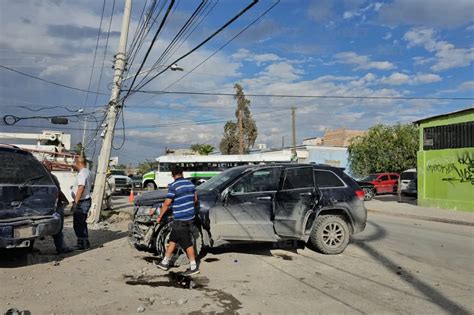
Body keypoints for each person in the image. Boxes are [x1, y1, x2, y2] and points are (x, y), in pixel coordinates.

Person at [156, 166, 200, 275]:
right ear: (182, 173)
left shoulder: (174, 186)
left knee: (186, 243)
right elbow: (195, 200)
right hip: (190, 216)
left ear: (172, 175)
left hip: (181, 218)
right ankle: (165, 262)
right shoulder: (190, 184)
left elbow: (167, 203)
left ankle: (194, 266)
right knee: (173, 239)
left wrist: (159, 216)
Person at [44, 162, 73, 254]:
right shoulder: (51, 177)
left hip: (44, 206)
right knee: (58, 228)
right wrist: (65, 200)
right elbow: (58, 192)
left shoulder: (38, 178)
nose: (50, 167)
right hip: (55, 206)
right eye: (48, 165)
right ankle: (61, 248)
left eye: (50, 165)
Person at [71, 156, 92, 250]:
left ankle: (82, 243)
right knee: (81, 222)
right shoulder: (87, 172)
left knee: (78, 222)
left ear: (78, 163)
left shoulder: (82, 174)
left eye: (74, 163)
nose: (73, 165)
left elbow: (81, 188)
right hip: (85, 200)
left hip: (82, 201)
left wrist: (75, 202)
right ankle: (84, 242)